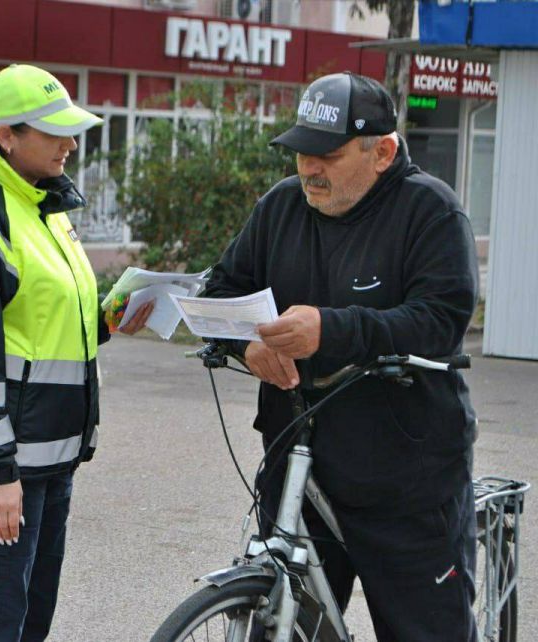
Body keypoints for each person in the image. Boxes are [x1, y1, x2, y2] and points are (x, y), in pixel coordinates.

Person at [202, 71, 479, 641]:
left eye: (325, 154)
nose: (308, 168)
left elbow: (441, 319)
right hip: (297, 466)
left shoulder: (430, 211)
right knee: (282, 623)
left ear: (381, 152)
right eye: (301, 151)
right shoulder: (281, 206)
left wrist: (330, 329)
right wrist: (245, 345)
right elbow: (219, 292)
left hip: (405, 478)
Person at [0, 64, 151, 642]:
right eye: (55, 132)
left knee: (27, 625)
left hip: (46, 463)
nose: (72, 144)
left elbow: (43, 332)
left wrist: (108, 318)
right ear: (6, 136)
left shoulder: (45, 210)